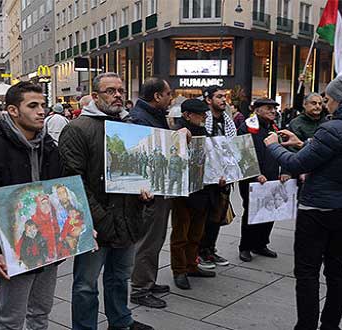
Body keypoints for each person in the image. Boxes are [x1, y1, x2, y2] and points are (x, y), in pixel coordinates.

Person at [263, 73, 342, 330]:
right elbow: (338, 153)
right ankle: (330, 325)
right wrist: (303, 142)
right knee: (337, 271)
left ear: (340, 99)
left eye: (327, 98)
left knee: (307, 273)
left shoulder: (332, 128)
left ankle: (305, 326)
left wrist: (274, 145)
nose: (325, 104)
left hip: (315, 210)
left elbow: (296, 163)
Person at [59, 72, 154, 330]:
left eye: (121, 90)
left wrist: (146, 192)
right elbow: (72, 181)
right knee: (85, 285)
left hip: (128, 218)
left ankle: (120, 321)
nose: (118, 95)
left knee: (119, 277)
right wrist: (97, 218)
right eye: (110, 91)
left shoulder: (130, 127)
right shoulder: (77, 129)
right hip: (95, 223)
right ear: (95, 96)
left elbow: (140, 169)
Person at [0, 82, 62, 330]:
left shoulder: (48, 145)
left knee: (41, 312)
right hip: (12, 246)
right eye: (33, 105)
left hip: (49, 243)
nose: (42, 111)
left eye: (43, 105)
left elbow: (62, 192)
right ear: (13, 110)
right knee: (11, 318)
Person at [127, 77, 177, 309]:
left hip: (159, 188)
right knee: (148, 241)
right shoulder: (140, 119)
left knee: (155, 240)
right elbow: (141, 156)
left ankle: (148, 280)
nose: (170, 98)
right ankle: (140, 289)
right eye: (168, 94)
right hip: (150, 193)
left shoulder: (151, 116)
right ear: (157, 96)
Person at [170, 99, 221, 290]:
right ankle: (179, 270)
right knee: (181, 234)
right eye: (201, 114)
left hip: (203, 190)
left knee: (196, 233)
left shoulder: (202, 130)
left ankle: (192, 265)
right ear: (187, 115)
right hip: (184, 193)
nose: (205, 117)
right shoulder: (178, 130)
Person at [237, 99, 291, 262]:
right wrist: (255, 174)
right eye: (268, 108)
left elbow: (285, 149)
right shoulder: (247, 127)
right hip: (253, 179)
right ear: (257, 110)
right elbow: (242, 153)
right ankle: (245, 247)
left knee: (270, 211)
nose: (273, 111)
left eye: (274, 108)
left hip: (273, 177)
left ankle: (260, 244)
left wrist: (286, 171)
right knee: (252, 213)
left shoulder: (274, 128)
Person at [200, 85, 235, 269]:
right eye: (219, 96)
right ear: (208, 99)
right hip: (206, 180)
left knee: (217, 217)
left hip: (224, 179)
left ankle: (210, 250)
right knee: (204, 218)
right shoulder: (202, 121)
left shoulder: (227, 122)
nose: (223, 100)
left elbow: (231, 148)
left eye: (224, 96)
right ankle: (201, 252)